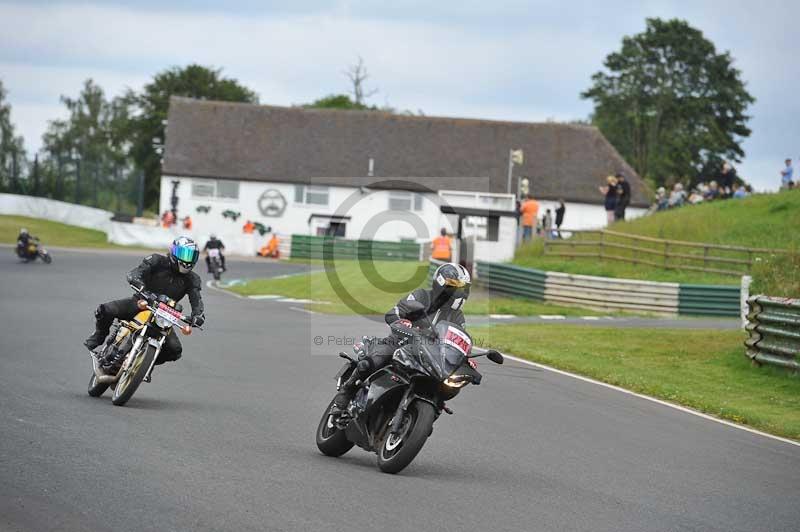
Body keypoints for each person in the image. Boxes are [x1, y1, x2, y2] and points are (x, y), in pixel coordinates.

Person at [332, 262, 471, 414]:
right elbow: (395, 312)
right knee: (373, 361)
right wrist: (401, 321)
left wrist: (464, 357)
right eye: (455, 287)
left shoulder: (457, 316)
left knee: (443, 386)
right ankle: (346, 393)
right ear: (440, 283)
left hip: (429, 355)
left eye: (463, 288)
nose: (459, 293)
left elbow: (457, 339)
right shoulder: (422, 296)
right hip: (400, 341)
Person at [83, 236, 205, 373]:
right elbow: (137, 272)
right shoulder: (156, 260)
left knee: (174, 351)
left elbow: (196, 299)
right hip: (141, 302)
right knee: (105, 309)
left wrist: (198, 315)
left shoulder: (193, 279)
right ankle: (99, 335)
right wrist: (137, 282)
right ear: (173, 251)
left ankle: (143, 362)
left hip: (164, 315)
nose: (187, 259)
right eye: (184, 254)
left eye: (191, 256)